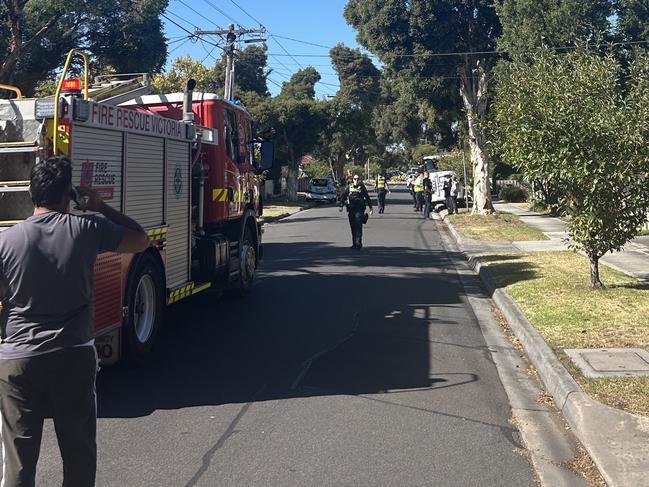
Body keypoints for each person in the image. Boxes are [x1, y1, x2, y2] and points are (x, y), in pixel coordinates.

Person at [0, 156, 149, 486]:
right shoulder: (88, 229)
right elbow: (141, 239)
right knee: (78, 454)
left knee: (19, 463)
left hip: (18, 361)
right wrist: (102, 208)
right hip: (73, 354)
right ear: (69, 194)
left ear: (29, 191)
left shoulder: (6, 241)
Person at [339, 174, 373, 249]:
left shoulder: (362, 188)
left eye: (358, 179)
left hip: (359, 210)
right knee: (353, 227)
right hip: (351, 210)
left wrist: (371, 208)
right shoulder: (349, 187)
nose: (356, 180)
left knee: (358, 226)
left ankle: (358, 243)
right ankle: (354, 243)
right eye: (355, 179)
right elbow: (343, 196)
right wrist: (341, 206)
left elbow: (367, 197)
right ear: (352, 179)